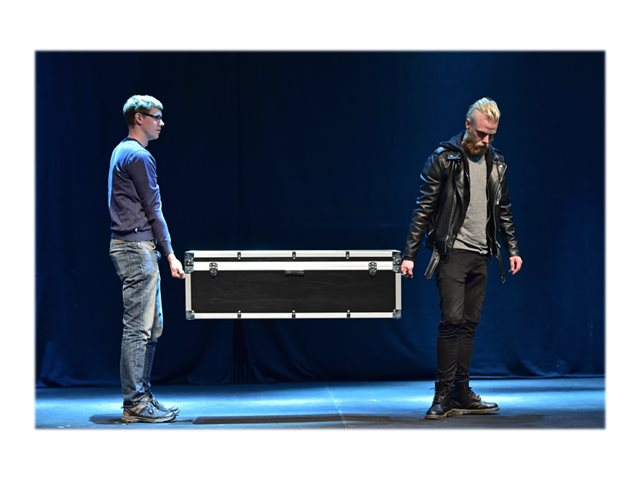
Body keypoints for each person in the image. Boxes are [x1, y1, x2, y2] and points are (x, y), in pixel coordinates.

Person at [401, 97, 523, 420]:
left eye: (492, 135)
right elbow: (423, 208)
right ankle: (442, 395)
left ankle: (461, 391)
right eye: (482, 133)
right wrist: (409, 254)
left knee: (469, 324)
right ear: (468, 125)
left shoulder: (497, 163)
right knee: (452, 321)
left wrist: (512, 249)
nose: (486, 140)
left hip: (482, 253)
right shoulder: (444, 159)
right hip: (452, 252)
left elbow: (504, 209)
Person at [108, 94, 185, 423]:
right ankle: (135, 403)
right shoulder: (138, 156)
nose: (161, 122)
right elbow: (154, 209)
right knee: (139, 329)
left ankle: (142, 396)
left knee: (152, 327)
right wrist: (170, 254)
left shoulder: (122, 151)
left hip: (134, 247)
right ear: (138, 118)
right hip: (136, 248)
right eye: (156, 116)